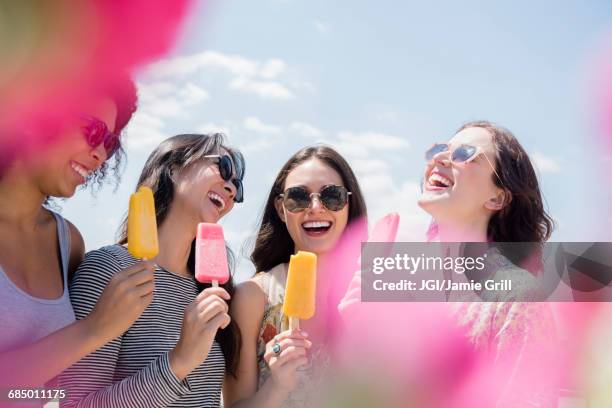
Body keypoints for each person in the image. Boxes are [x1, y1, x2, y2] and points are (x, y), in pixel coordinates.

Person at [60, 133, 244, 408]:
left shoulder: (211, 289)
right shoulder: (108, 269)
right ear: (174, 167)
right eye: (224, 169)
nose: (230, 189)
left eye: (237, 185)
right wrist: (178, 362)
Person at [0, 78, 155, 398]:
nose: (100, 154)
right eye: (93, 131)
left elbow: (52, 389)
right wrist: (94, 329)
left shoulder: (68, 242)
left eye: (109, 143)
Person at [417, 120, 558, 406]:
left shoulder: (516, 298)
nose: (439, 159)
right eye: (442, 149)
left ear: (498, 197)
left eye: (464, 153)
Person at [225, 145, 367, 408]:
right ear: (281, 209)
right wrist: (277, 387)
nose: (315, 208)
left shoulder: (374, 293)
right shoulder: (252, 299)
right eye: (298, 197)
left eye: (332, 196)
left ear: (348, 205)